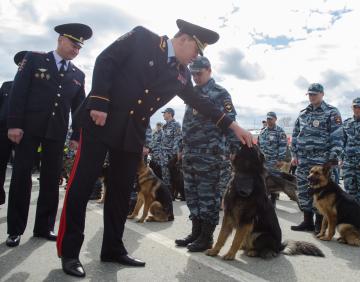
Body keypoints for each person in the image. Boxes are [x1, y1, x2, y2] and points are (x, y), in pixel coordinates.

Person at [56, 19, 252, 278]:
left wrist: (234, 126)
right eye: (196, 50)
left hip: (132, 133)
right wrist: (100, 101)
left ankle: (113, 248)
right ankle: (70, 253)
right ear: (184, 39)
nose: (196, 58)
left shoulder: (181, 74)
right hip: (100, 120)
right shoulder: (143, 38)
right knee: (81, 186)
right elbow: (106, 59)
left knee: (121, 191)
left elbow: (200, 102)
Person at [6, 23, 91, 248]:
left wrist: (76, 136)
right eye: (73, 44)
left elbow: (79, 109)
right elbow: (18, 92)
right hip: (28, 129)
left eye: (79, 47)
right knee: (21, 177)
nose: (76, 50)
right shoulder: (34, 59)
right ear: (61, 40)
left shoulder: (77, 74)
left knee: (51, 180)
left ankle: (44, 227)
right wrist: (14, 124)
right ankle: (15, 229)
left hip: (56, 133)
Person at [175, 56, 238, 252]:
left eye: (199, 73)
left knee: (208, 197)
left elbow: (230, 123)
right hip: (191, 153)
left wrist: (234, 150)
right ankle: (196, 232)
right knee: (192, 195)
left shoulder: (219, 93)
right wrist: (181, 147)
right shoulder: (191, 92)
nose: (195, 77)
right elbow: (187, 122)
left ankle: (207, 237)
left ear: (209, 70)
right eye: (192, 73)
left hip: (210, 155)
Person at [290, 83, 343, 233]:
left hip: (322, 160)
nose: (312, 97)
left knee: (321, 192)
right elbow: (295, 135)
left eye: (315, 94)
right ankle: (307, 222)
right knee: (303, 190)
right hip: (303, 159)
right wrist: (294, 154)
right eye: (310, 94)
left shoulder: (332, 112)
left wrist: (333, 157)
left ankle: (320, 224)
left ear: (322, 94)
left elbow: (337, 135)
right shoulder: (303, 113)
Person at [0, 51, 27, 205]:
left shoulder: (34, 89)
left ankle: (18, 203)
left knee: (21, 169)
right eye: (21, 64)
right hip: (2, 129)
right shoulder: (7, 85)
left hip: (24, 132)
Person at [258, 111, 287, 206]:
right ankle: (265, 200)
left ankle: (273, 201)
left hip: (274, 161)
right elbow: (259, 145)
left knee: (274, 181)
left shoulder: (280, 131)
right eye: (268, 118)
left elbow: (283, 146)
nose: (269, 120)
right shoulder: (262, 131)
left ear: (275, 119)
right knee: (263, 181)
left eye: (271, 118)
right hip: (263, 162)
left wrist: (281, 159)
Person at [160, 107, 181, 190]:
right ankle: (167, 194)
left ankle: (171, 194)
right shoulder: (164, 126)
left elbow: (178, 139)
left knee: (173, 176)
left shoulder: (176, 125)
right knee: (165, 177)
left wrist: (174, 155)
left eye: (164, 113)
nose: (163, 115)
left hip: (170, 156)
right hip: (163, 156)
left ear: (169, 114)